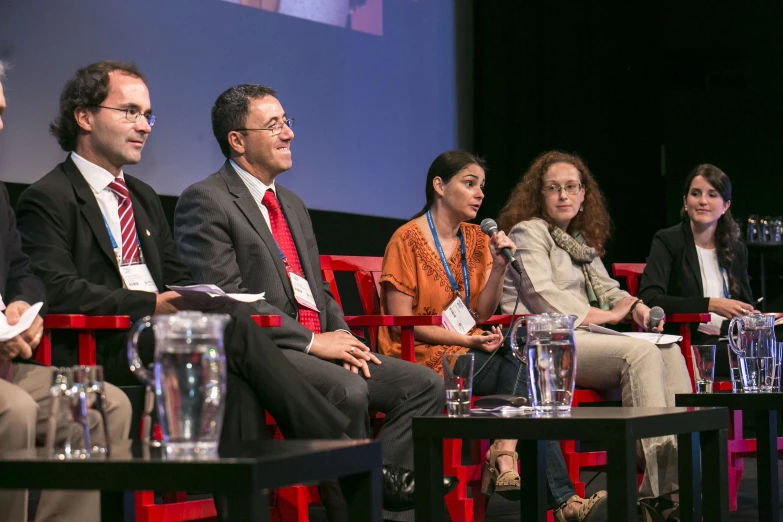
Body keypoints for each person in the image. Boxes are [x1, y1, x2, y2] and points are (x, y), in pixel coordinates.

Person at [172, 84, 451, 521]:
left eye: (287, 122)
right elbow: (225, 300)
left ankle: (388, 508)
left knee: (423, 386)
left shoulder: (293, 204)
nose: (289, 134)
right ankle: (359, 509)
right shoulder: (205, 200)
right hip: (267, 350)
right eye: (274, 125)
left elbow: (317, 288)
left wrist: (339, 333)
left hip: (319, 341)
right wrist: (311, 341)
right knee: (348, 389)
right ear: (238, 140)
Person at [378, 150, 607, 522]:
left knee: (530, 366)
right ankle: (545, 486)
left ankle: (510, 454)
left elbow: (480, 314)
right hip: (421, 357)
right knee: (530, 378)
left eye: (481, 186)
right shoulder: (406, 238)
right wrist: (469, 340)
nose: (479, 193)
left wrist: (500, 266)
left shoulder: (476, 238)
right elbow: (401, 322)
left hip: (468, 351)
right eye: (469, 184)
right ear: (439, 186)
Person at [497, 150, 692, 521]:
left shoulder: (578, 240)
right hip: (544, 341)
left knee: (669, 351)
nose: (563, 195)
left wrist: (637, 308)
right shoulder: (529, 231)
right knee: (641, 355)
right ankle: (662, 495)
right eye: (553, 188)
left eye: (571, 187)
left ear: (584, 194)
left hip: (580, 336)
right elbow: (541, 295)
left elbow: (609, 288)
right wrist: (607, 314)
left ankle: (671, 484)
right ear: (539, 195)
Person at [0, 60, 132, 522]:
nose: (0, 123)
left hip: (8, 369)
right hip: (6, 388)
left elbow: (22, 269)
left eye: (1, 111)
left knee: (101, 400)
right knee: (13, 410)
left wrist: (23, 304)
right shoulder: (48, 195)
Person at [638, 164, 755, 378]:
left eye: (712, 194)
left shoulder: (735, 247)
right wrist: (710, 304)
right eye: (695, 194)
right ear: (685, 201)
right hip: (694, 343)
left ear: (726, 205)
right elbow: (650, 297)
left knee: (772, 343)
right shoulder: (668, 240)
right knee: (758, 355)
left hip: (732, 339)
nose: (702, 201)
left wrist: (759, 317)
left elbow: (745, 302)